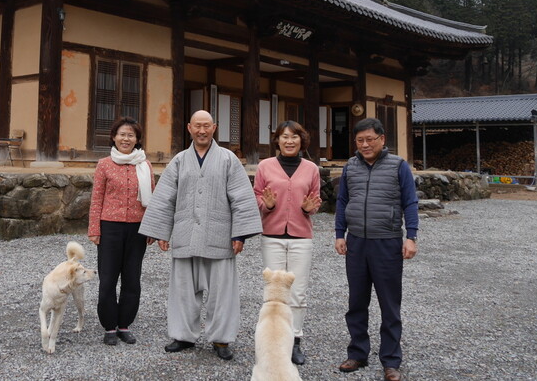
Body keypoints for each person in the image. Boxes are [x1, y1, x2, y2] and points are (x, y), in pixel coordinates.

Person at [139, 110, 262, 361]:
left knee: (222, 292)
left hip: (220, 235)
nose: (202, 131)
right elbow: (164, 198)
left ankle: (221, 339)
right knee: (183, 289)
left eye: (207, 126)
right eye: (198, 126)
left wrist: (240, 234)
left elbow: (241, 197)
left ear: (214, 128)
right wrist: (162, 231)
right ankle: (183, 336)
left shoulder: (229, 159)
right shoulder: (180, 160)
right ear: (189, 128)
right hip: (185, 233)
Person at [335, 117, 419, 381]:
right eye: (359, 140)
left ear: (382, 139)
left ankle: (391, 361)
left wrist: (411, 236)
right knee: (356, 302)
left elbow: (410, 202)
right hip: (357, 241)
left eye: (370, 139)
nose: (365, 145)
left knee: (389, 304)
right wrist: (339, 234)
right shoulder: (350, 166)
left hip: (388, 241)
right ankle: (358, 353)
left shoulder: (398, 165)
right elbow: (342, 200)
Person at [253, 120, 322, 366]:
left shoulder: (311, 168)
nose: (289, 141)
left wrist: (308, 209)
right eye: (284, 136)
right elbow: (258, 196)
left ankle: (294, 340)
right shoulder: (265, 166)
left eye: (294, 137)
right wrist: (267, 205)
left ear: (301, 141)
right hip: (272, 235)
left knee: (298, 292)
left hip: (301, 236)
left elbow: (315, 199)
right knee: (273, 290)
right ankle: (271, 339)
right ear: (277, 140)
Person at [88, 117, 155, 346]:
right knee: (107, 279)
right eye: (122, 134)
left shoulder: (144, 165)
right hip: (110, 228)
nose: (126, 139)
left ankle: (125, 324)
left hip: (137, 229)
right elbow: (96, 198)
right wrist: (94, 229)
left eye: (131, 135)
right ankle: (109, 325)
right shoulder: (104, 164)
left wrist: (152, 229)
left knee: (132, 279)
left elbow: (152, 200)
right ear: (114, 137)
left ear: (137, 139)